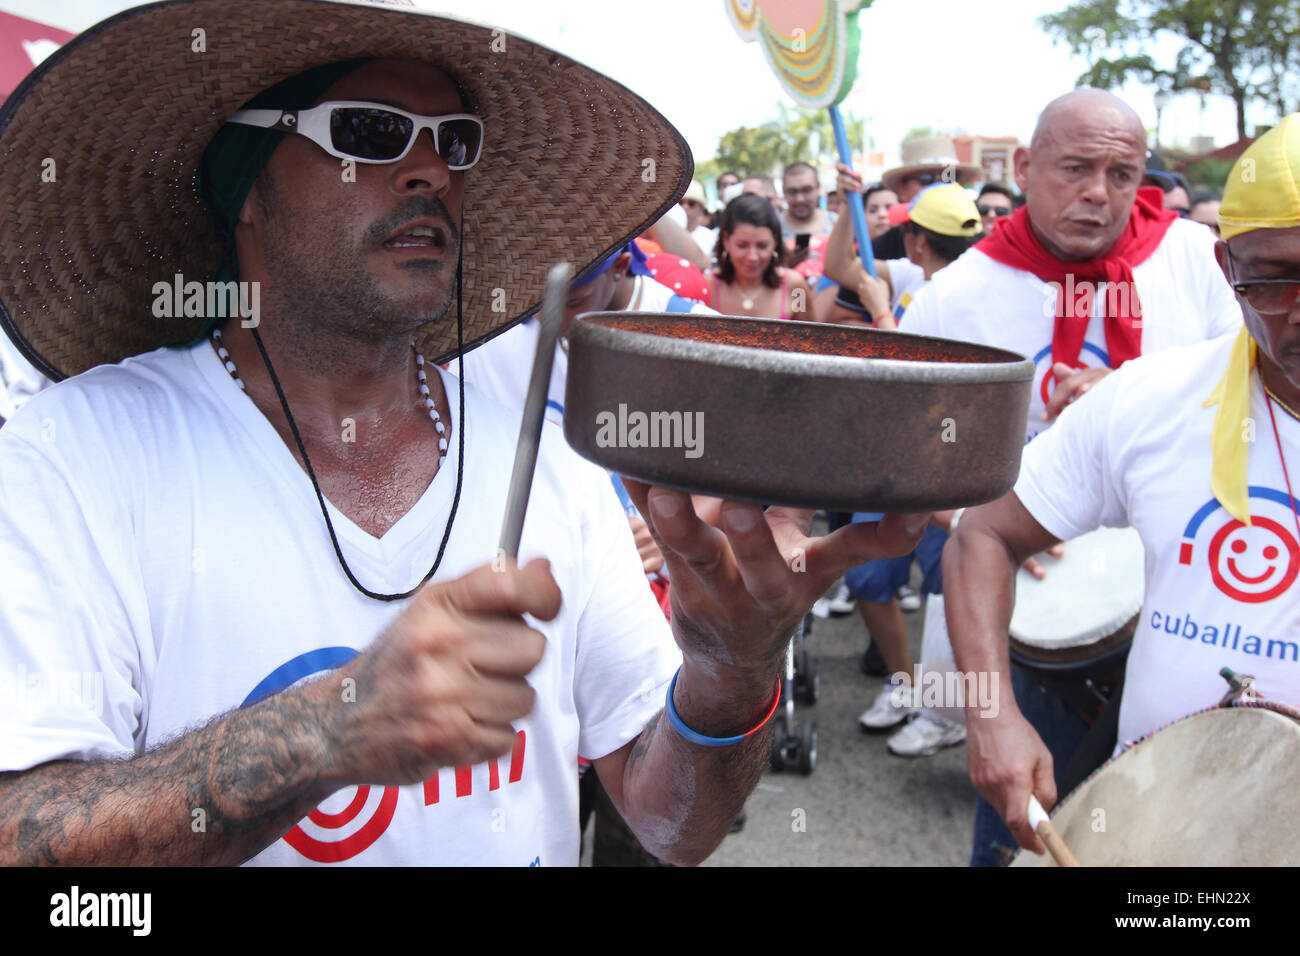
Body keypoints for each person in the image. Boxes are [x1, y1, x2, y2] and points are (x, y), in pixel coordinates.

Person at [0, 3, 927, 867]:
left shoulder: (551, 464)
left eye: (455, 140)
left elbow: (665, 820)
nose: (431, 172)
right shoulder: (79, 457)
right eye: (369, 131)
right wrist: (324, 734)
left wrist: (733, 671)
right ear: (244, 188)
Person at [898, 88, 1242, 864]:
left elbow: (1251, 400)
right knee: (1029, 825)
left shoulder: (1198, 262)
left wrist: (1136, 399)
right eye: (1076, 169)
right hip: (1030, 609)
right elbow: (901, 460)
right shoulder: (955, 298)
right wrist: (973, 517)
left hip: (1187, 599)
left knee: (1183, 835)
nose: (1099, 193)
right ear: (1023, 169)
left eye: (1123, 174)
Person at [705, 194, 814, 320]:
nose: (752, 257)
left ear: (775, 242)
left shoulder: (796, 289)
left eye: (762, 246)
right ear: (726, 241)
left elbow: (808, 336)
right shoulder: (708, 288)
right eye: (742, 245)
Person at [780, 162, 836, 239]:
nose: (800, 199)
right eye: (792, 192)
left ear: (818, 187)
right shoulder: (774, 228)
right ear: (784, 192)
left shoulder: (835, 223)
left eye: (806, 190)